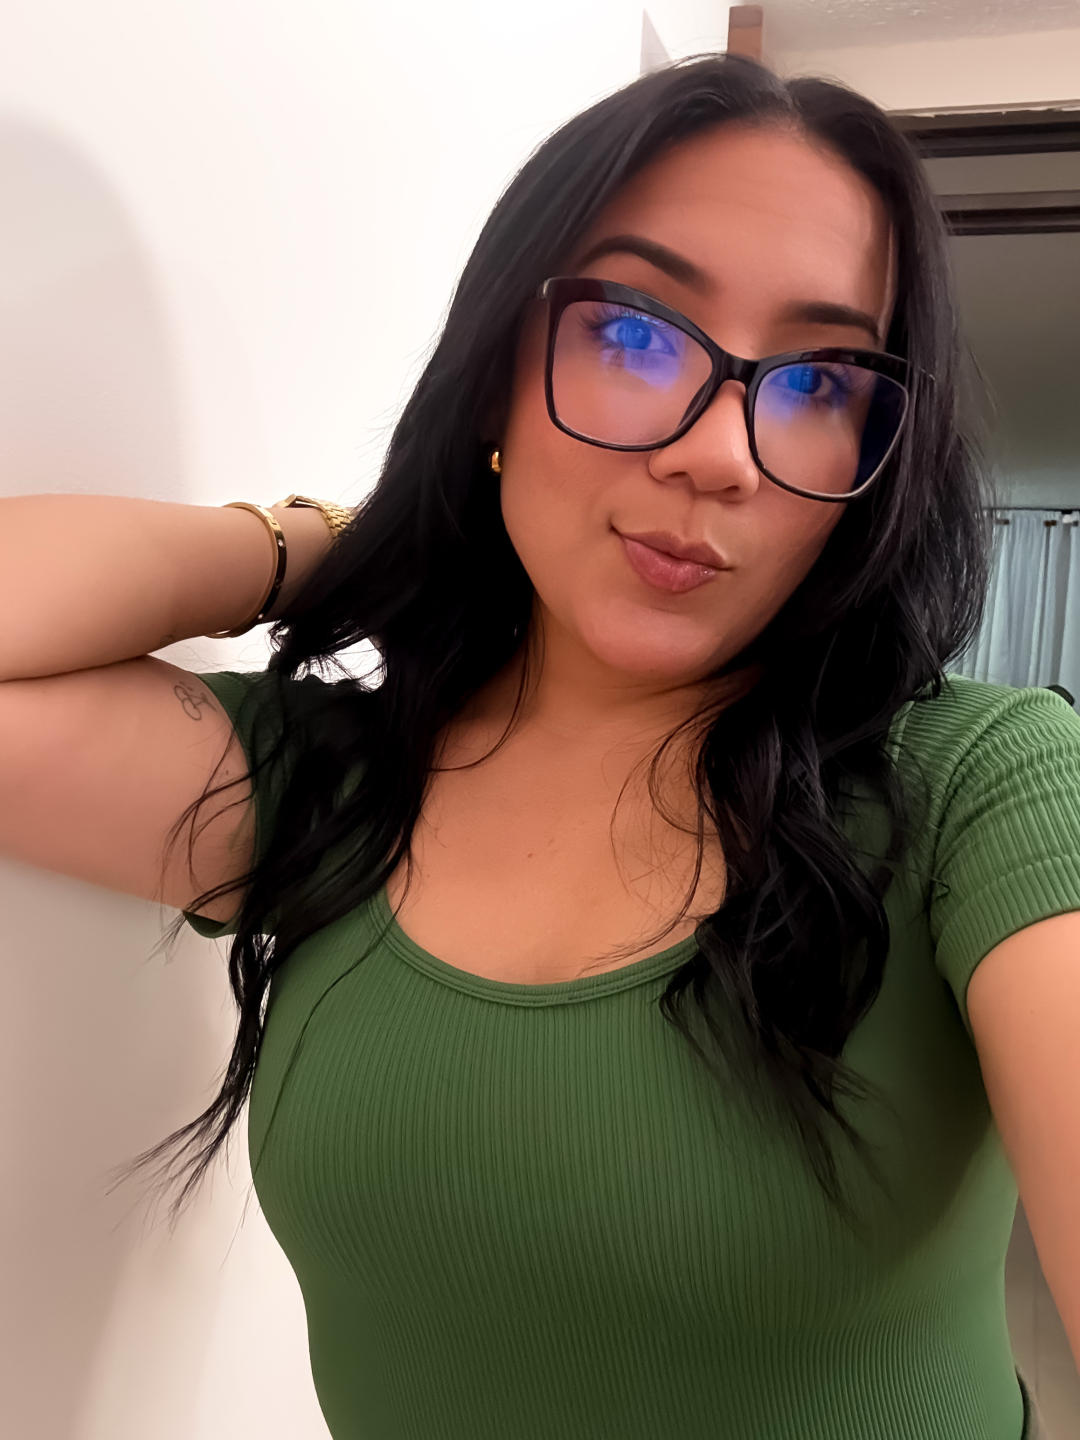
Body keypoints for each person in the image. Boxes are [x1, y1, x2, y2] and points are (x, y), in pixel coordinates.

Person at [2, 52, 1076, 1440]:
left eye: (818, 379)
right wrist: (340, 543)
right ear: (496, 372)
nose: (722, 455)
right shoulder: (330, 788)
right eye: (634, 335)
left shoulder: (987, 788)